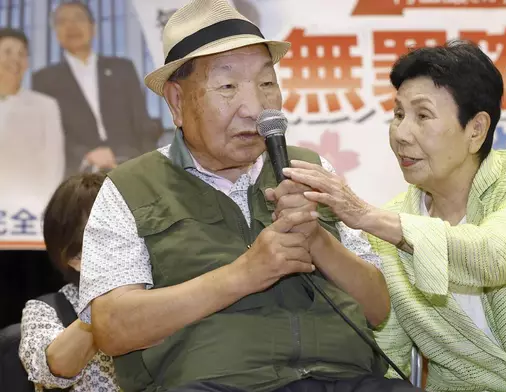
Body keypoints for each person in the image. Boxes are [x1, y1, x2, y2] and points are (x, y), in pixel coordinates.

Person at [78, 1, 423, 392]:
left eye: (266, 83)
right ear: (176, 102)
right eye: (227, 87)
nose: (255, 109)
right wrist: (245, 274)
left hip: (344, 379)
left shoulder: (311, 168)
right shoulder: (129, 187)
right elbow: (111, 328)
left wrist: (316, 239)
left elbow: (377, 308)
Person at [283, 41, 506, 391]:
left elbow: (499, 256)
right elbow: (389, 351)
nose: (401, 134)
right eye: (398, 114)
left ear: (476, 130)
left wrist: (364, 215)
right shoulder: (387, 227)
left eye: (422, 115)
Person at [32, 1, 160, 176]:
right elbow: (48, 136)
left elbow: (141, 122)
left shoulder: (123, 68)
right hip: (79, 173)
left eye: (78, 18)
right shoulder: (44, 80)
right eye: (62, 21)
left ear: (93, 28)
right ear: (56, 34)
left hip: (131, 164)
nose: (71, 26)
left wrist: (148, 163)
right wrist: (86, 156)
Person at [19, 172, 119, 392]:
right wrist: (111, 298)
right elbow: (56, 368)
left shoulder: (162, 291)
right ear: (75, 257)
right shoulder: (45, 311)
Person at [0, 28, 65, 225]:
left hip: (28, 216)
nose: (15, 60)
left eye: (22, 54)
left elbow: (54, 164)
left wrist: (41, 210)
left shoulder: (45, 106)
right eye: (8, 52)